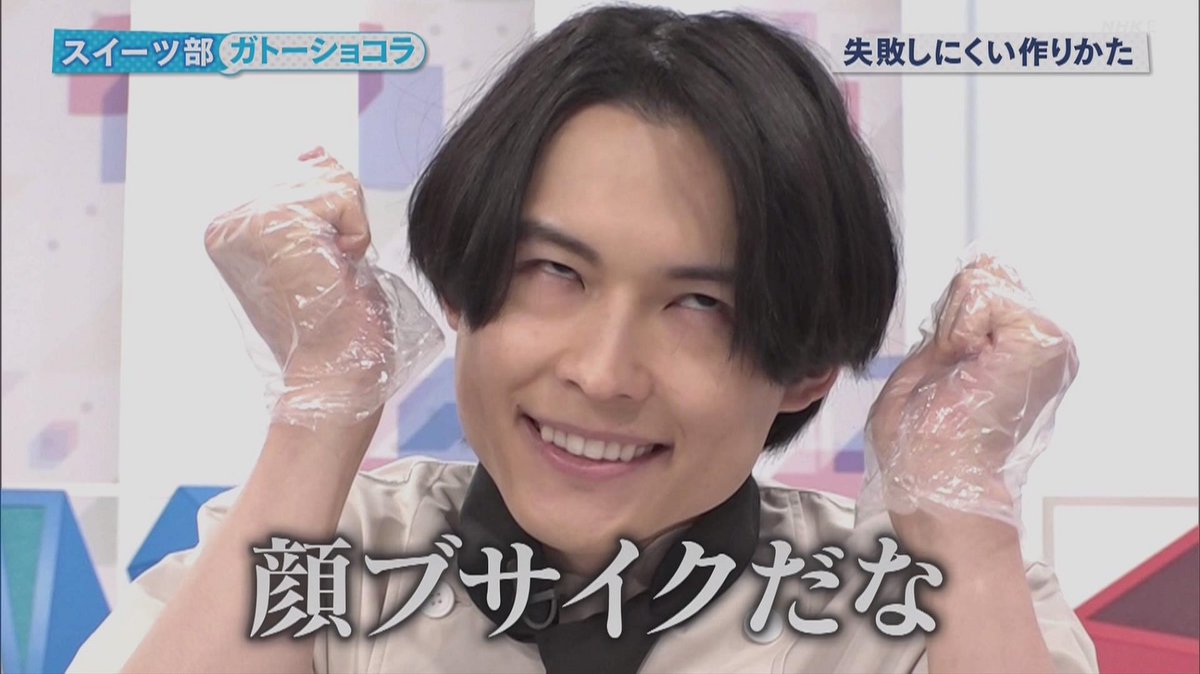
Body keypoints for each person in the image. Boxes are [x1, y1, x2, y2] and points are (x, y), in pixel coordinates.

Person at [69, 5, 1097, 673]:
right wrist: (322, 399)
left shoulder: (918, 603)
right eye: (554, 271)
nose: (602, 374)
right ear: (461, 287)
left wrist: (960, 506)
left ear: (807, 366)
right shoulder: (315, 552)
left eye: (701, 305)